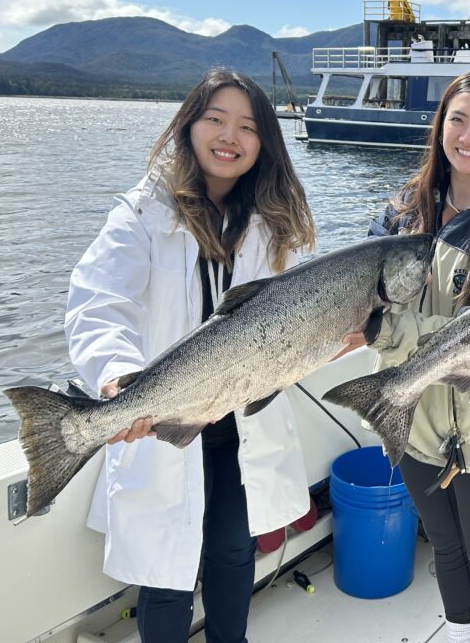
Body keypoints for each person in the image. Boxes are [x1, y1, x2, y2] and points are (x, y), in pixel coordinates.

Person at [66, 69, 317, 643]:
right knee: (166, 573)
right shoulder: (142, 213)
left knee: (233, 550)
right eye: (216, 119)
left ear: (264, 144)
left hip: (239, 421)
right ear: (189, 124)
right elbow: (98, 302)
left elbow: (293, 327)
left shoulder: (271, 223)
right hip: (164, 420)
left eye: (248, 127)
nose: (230, 136)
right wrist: (114, 377)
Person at [350, 70, 470, 643]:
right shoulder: (401, 211)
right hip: (406, 412)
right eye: (458, 119)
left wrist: (390, 329)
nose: (469, 135)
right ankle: (459, 634)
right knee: (445, 545)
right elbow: (362, 303)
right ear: (440, 126)